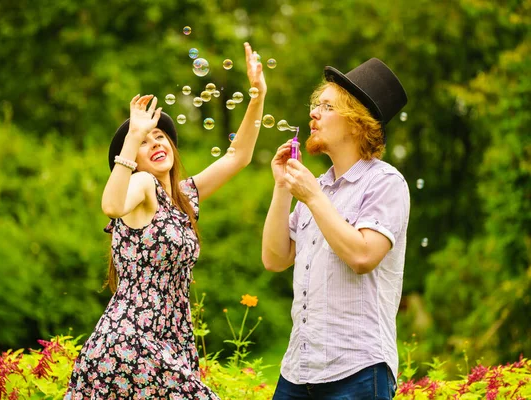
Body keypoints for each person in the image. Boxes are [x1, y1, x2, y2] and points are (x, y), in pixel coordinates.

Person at [65, 42, 266, 399]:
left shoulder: (183, 197)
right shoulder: (141, 185)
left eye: (161, 136)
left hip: (169, 341)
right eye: (146, 141)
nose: (156, 143)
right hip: (129, 345)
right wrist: (132, 138)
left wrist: (257, 96)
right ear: (133, 159)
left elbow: (239, 156)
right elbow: (111, 206)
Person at [262, 58, 410, 399]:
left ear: (357, 123)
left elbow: (362, 256)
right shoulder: (318, 188)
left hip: (358, 371)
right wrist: (282, 188)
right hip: (298, 371)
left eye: (327, 107)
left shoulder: (385, 182)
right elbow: (275, 258)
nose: (313, 113)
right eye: (316, 105)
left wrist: (312, 197)